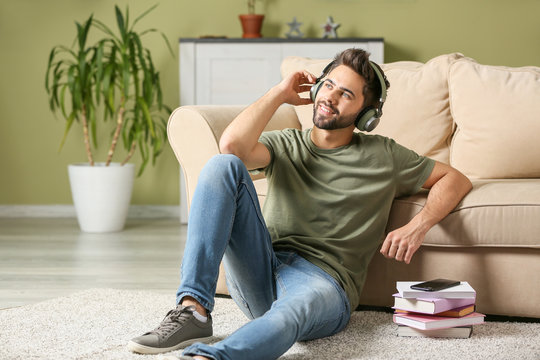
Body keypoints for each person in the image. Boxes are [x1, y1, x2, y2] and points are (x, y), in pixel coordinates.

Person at [127, 48, 472, 360]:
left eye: (346, 94)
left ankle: (214, 358)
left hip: (324, 283)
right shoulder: (286, 143)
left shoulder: (384, 155)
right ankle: (194, 311)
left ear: (367, 114)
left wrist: (418, 224)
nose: (330, 97)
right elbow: (230, 148)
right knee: (222, 166)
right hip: (262, 270)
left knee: (289, 313)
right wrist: (280, 93)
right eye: (328, 84)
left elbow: (455, 179)